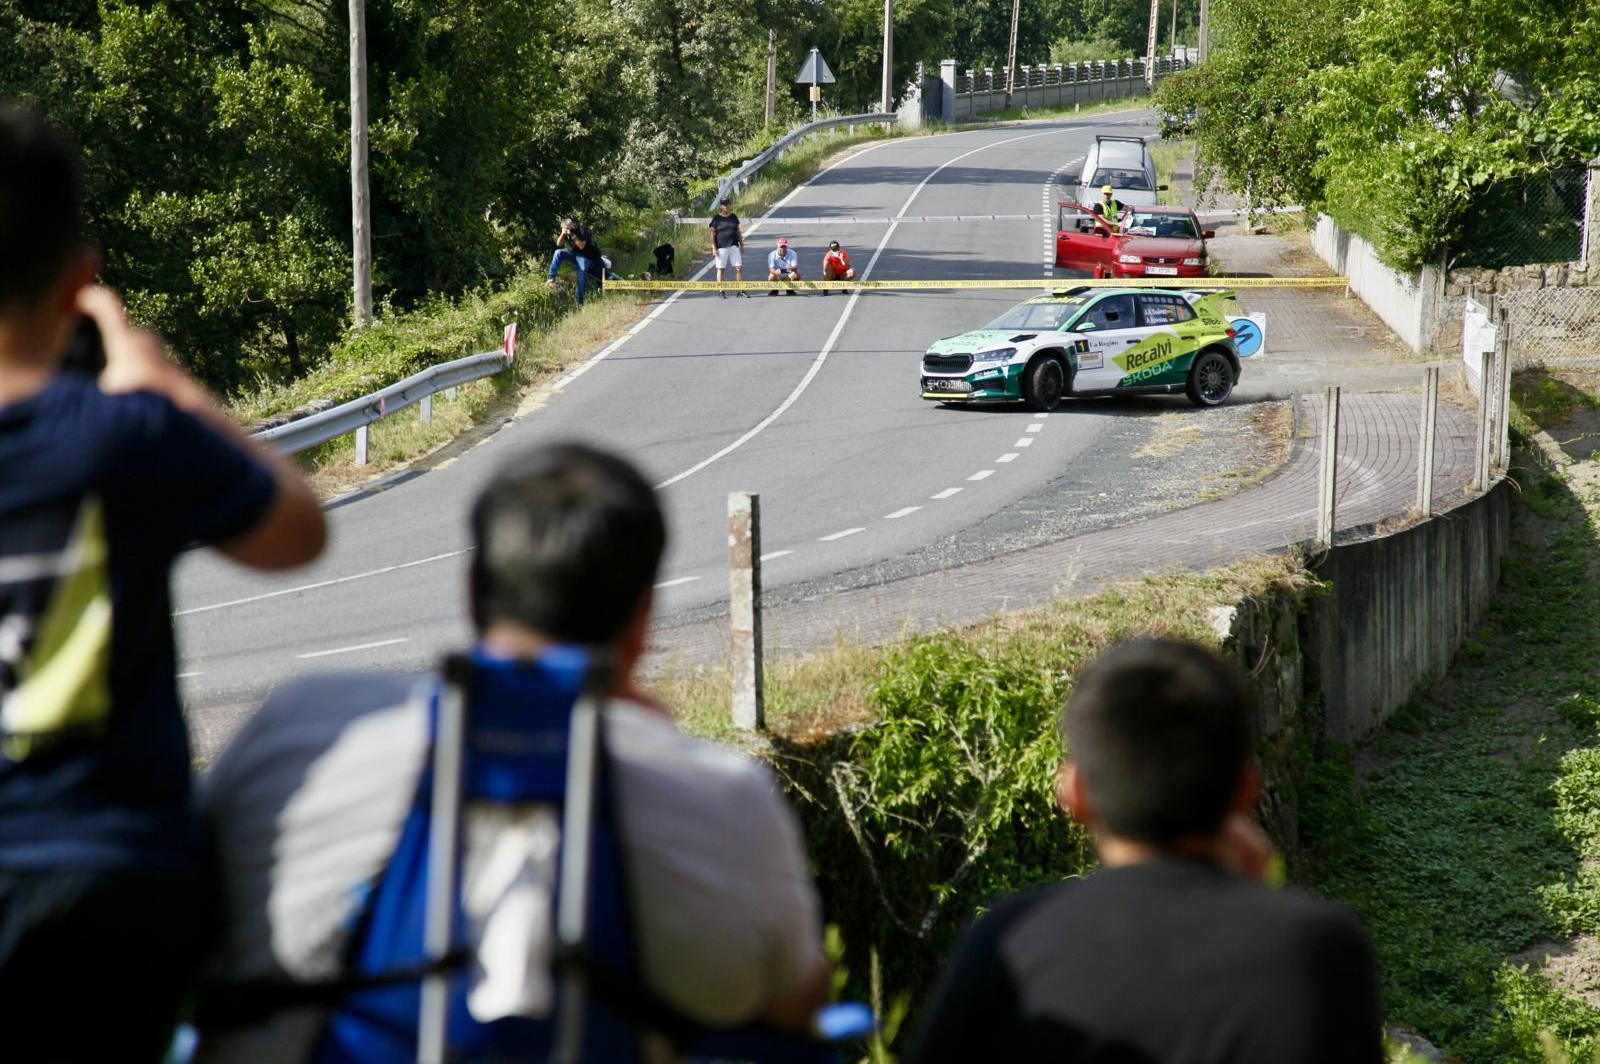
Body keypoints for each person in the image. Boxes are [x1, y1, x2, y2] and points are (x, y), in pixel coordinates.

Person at [198, 442, 828, 1061]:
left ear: (474, 592)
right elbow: (794, 1008)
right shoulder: (725, 798)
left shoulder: (302, 726)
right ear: (642, 615)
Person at [0, 104, 327, 1062]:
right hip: (113, 886)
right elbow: (294, 531)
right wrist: (160, 380)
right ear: (79, 279)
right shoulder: (125, 436)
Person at [905, 638, 1384, 1064]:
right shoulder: (1322, 948)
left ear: (1073, 795)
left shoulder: (1009, 941)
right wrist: (1263, 900)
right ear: (1245, 791)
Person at [545, 219, 606, 306]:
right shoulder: (567, 232)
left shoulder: (582, 230)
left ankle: (580, 303)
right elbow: (559, 244)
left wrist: (573, 235)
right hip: (575, 254)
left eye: (564, 228)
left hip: (587, 256)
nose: (564, 230)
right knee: (558, 252)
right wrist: (562, 234)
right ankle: (551, 278)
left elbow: (581, 246)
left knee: (582, 276)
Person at [709, 197, 748, 298]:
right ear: (721, 206)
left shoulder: (733, 217)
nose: (726, 206)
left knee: (739, 268)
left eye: (727, 204)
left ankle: (741, 289)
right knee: (721, 269)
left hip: (734, 245)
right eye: (724, 204)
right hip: (721, 247)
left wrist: (742, 244)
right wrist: (714, 247)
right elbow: (712, 234)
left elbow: (738, 231)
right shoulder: (716, 218)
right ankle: (721, 291)